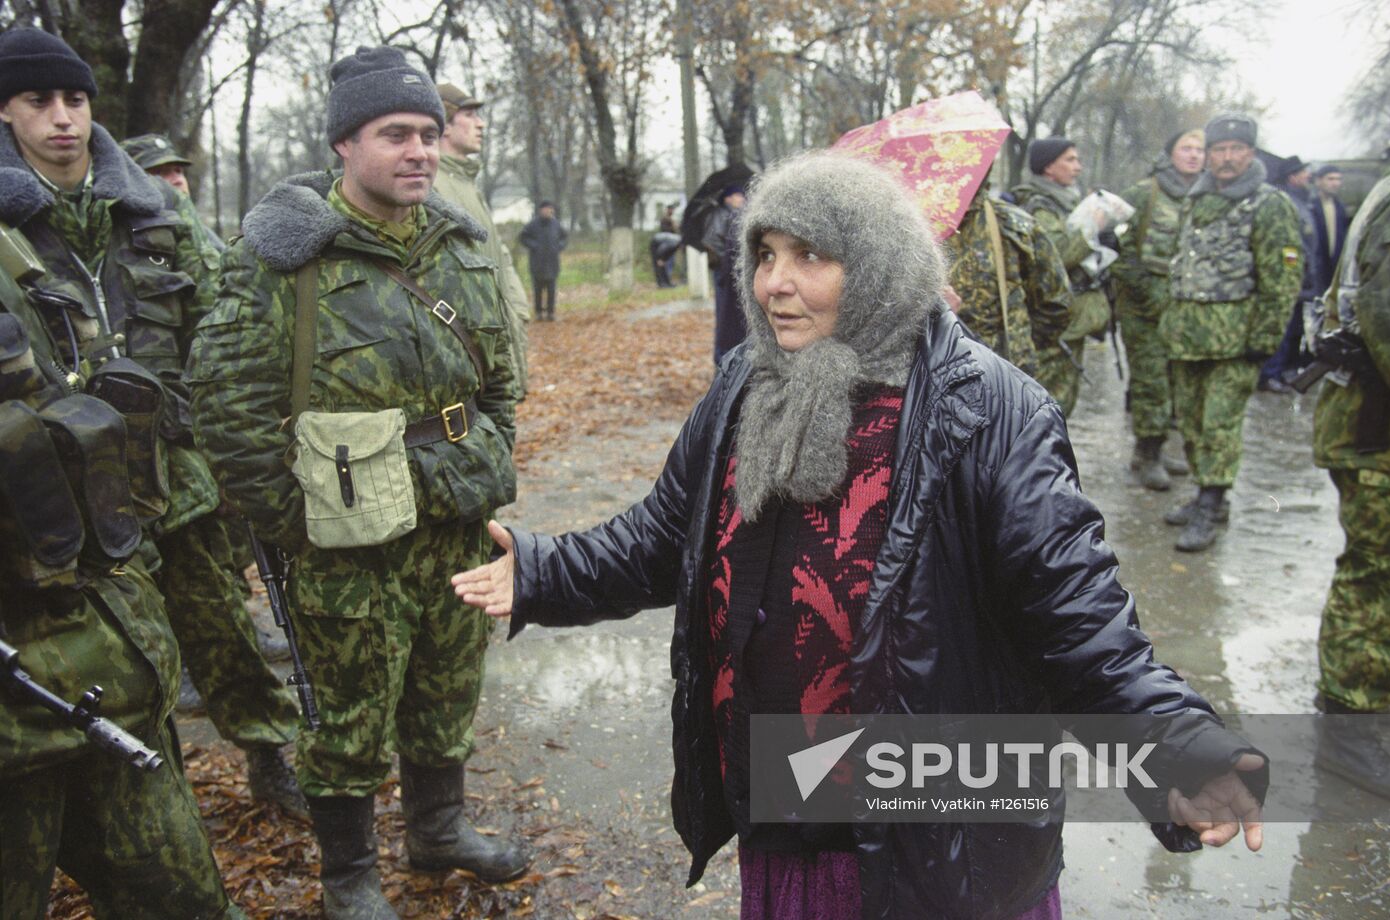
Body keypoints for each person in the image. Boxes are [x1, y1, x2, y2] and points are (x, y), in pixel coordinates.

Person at [452, 152, 1267, 919]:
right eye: (764, 254)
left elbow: (1078, 621)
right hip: (790, 803)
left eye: (810, 255)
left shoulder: (989, 410)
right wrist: (543, 571)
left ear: (877, 264)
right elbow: (666, 535)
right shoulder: (745, 384)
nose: (774, 282)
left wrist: (1177, 745)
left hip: (937, 833)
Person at [187, 45, 527, 918]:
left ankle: (438, 831)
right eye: (394, 134)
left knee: (448, 686)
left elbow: (497, 378)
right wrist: (294, 523)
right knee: (346, 714)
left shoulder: (458, 244)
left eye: (428, 134)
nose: (420, 151)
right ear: (344, 144)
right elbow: (226, 405)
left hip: (454, 515)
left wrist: (488, 452)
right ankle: (349, 878)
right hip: (345, 535)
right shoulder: (280, 258)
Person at [0, 29, 306, 815]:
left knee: (222, 627)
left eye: (75, 99)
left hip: (176, 471)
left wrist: (235, 441)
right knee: (109, 650)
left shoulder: (152, 209)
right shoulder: (8, 231)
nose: (62, 117)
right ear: (6, 111)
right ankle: (143, 787)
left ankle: (268, 753)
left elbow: (223, 319)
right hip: (63, 494)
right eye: (39, 100)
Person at [1160, 113, 1302, 551]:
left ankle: (1211, 502)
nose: (1226, 158)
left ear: (1250, 153)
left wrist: (1264, 340)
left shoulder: (1269, 204)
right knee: (1191, 424)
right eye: (1218, 149)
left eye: (1235, 150)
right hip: (1187, 337)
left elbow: (1282, 279)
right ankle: (1207, 494)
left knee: (1219, 425)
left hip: (1235, 342)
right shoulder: (1195, 198)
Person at [1309, 158, 1390, 798]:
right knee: (1378, 571)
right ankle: (1349, 724)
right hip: (1378, 432)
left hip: (1381, 427)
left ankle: (1365, 694)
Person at [1112, 129, 1204, 490]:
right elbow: (1118, 248)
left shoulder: (1206, 196)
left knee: (1174, 380)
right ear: (1170, 153)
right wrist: (1148, 292)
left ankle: (1156, 448)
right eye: (1186, 148)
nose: (1194, 155)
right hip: (1144, 309)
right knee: (1150, 381)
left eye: (1200, 149)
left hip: (1185, 308)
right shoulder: (1143, 193)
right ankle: (1147, 454)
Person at [434, 83, 531, 399]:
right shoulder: (432, 187)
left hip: (495, 352)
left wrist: (518, 309)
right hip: (469, 360)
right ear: (445, 124)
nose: (481, 124)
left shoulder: (466, 182)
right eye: (470, 115)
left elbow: (498, 256)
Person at [1011, 137, 1112, 416]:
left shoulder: (1063, 200)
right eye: (1070, 160)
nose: (1078, 167)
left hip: (1067, 318)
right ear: (1048, 167)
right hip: (1052, 321)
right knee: (1049, 403)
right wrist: (1090, 231)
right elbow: (1056, 254)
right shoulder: (1040, 206)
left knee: (1062, 400)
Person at [943, 181, 1072, 378]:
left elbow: (1055, 303)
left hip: (1001, 371)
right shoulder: (904, 224)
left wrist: (1019, 341)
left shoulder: (1012, 224)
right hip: (926, 375)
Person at [1258, 155, 1322, 392]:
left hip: (1301, 279)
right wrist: (1292, 274)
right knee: (1281, 329)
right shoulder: (1286, 202)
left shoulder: (1303, 201)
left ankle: (1282, 371)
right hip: (1291, 279)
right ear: (1292, 177)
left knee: (1294, 329)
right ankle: (1269, 375)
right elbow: (1288, 246)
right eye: (1304, 172)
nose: (1308, 176)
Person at [119, 132, 227, 254]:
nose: (178, 180)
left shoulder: (203, 234)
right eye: (159, 172)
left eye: (178, 171)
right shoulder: (122, 237)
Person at [703, 185, 747, 363]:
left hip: (728, 271)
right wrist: (727, 262)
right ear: (728, 198)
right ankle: (722, 358)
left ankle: (725, 356)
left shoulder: (731, 214)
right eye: (738, 195)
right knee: (725, 316)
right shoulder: (721, 214)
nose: (742, 198)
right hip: (724, 273)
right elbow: (712, 242)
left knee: (728, 316)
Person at [518, 200, 568, 320]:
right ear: (541, 210)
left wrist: (559, 247)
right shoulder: (533, 224)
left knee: (551, 290)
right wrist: (534, 246)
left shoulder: (556, 224)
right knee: (538, 290)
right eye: (546, 209)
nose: (548, 211)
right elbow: (523, 237)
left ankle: (551, 313)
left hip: (552, 262)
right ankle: (539, 313)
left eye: (550, 209)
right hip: (537, 263)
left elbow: (564, 237)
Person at [1310, 164, 1350, 287]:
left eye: (1338, 179)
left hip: (1335, 270)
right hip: (1316, 271)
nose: (1335, 183)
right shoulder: (1310, 206)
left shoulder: (1340, 208)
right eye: (1330, 179)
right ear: (1318, 181)